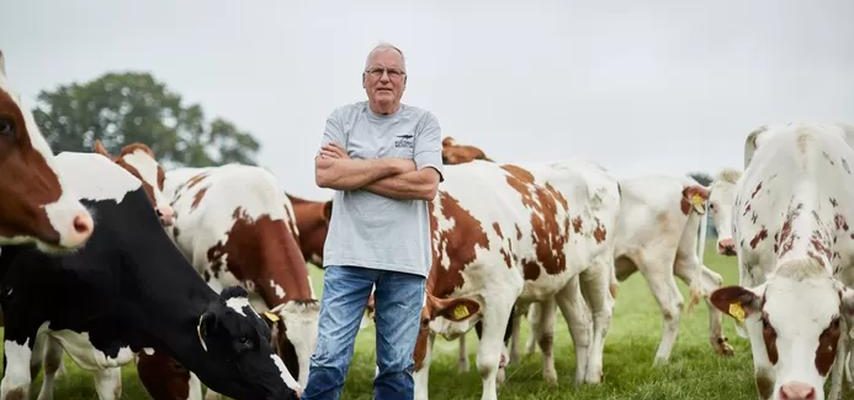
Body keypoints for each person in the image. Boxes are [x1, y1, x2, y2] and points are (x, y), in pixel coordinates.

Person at [304, 43, 443, 400]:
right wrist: (396, 164)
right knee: (328, 359)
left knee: (396, 365)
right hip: (347, 258)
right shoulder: (342, 118)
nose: (384, 78)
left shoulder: (423, 123)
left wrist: (353, 167)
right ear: (364, 79)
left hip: (405, 262)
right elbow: (324, 174)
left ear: (404, 81)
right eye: (376, 71)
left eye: (393, 72)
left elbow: (427, 185)